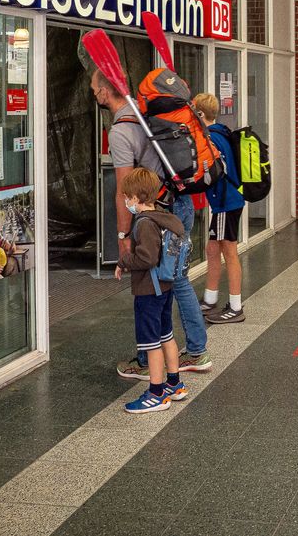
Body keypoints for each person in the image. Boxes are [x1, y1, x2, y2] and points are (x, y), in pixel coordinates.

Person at [91, 69, 212, 378]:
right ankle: (182, 351)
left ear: (105, 91)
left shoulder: (120, 131)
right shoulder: (142, 110)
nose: (93, 94)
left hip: (155, 215)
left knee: (158, 284)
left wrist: (123, 235)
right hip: (179, 204)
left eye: (95, 88)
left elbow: (123, 190)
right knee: (176, 279)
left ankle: (159, 359)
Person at [117, 167, 189, 414]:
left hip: (150, 290)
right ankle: (174, 383)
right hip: (165, 287)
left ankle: (156, 393)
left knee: (151, 343)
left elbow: (147, 258)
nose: (126, 201)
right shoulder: (164, 217)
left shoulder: (145, 223)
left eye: (128, 197)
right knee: (166, 335)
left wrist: (125, 261)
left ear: (136, 198)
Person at [193, 93, 246, 324]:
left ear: (201, 114)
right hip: (226, 201)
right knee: (213, 249)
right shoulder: (220, 132)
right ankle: (210, 298)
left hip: (226, 203)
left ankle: (235, 307)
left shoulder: (211, 139)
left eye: (194, 111)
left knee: (229, 252)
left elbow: (212, 172)